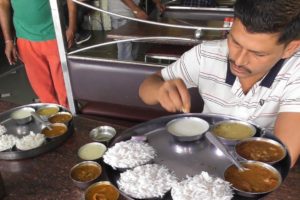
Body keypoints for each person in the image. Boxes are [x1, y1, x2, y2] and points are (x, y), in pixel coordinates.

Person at [139, 0, 300, 167]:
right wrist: (159, 90)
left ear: (290, 48)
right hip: (202, 157)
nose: (238, 60)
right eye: (235, 42)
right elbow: (146, 89)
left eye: (258, 54)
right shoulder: (206, 55)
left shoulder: (296, 71)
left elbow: (283, 156)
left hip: (257, 166)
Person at [0, 0, 77, 108]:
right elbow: (3, 4)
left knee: (65, 91)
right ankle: (52, 120)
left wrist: (72, 28)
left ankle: (71, 119)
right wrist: (8, 41)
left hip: (55, 36)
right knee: (44, 93)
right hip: (25, 40)